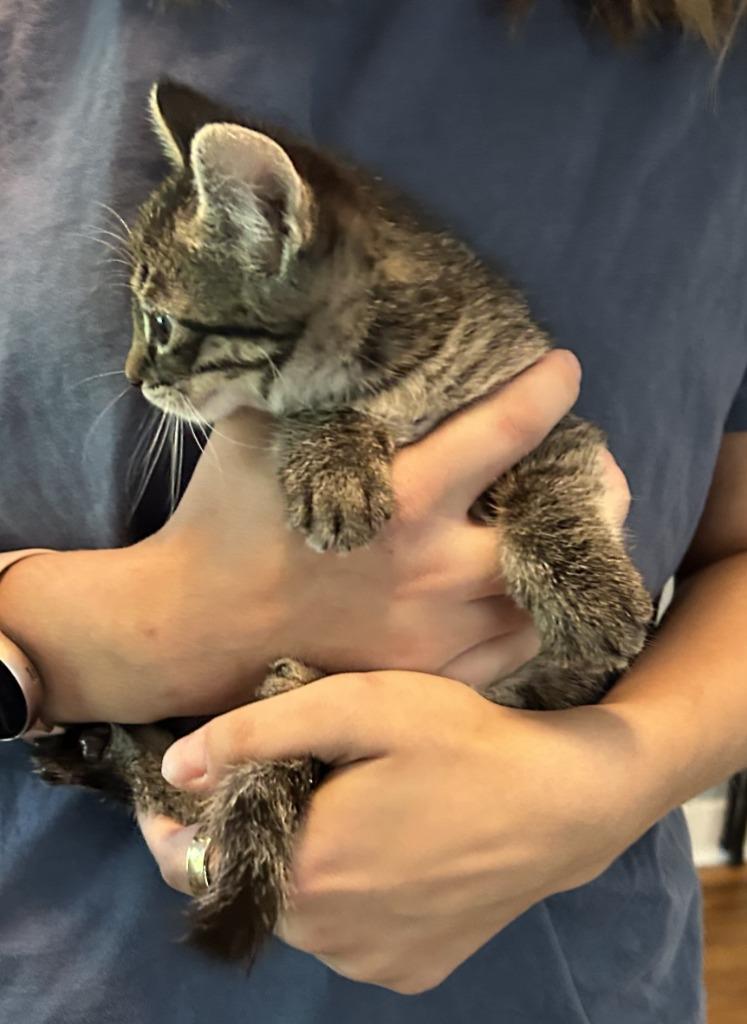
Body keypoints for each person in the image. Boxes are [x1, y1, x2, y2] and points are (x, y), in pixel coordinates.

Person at [1, 1, 746, 1020]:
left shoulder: (715, 72)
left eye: (165, 327)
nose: (136, 375)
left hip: (563, 976)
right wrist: (127, 634)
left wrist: (614, 776)